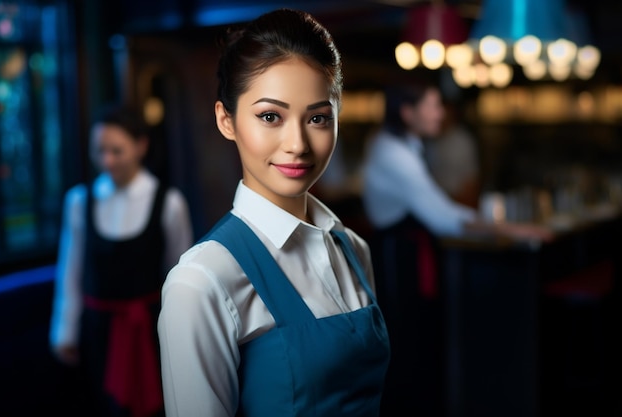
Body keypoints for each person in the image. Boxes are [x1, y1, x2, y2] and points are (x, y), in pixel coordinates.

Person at [157, 8, 390, 417]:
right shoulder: (201, 281)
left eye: (318, 117)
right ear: (226, 120)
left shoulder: (354, 250)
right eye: (270, 116)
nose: (297, 143)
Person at [361, 81, 554, 416]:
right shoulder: (393, 153)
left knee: (416, 343)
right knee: (407, 346)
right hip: (397, 260)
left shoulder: (403, 143)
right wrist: (509, 229)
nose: (441, 113)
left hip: (406, 253)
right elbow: (442, 217)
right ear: (408, 113)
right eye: (433, 105)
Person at [49, 104, 194, 417]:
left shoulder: (169, 202)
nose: (107, 160)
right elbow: (70, 273)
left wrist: (182, 336)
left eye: (117, 151)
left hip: (149, 328)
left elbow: (179, 278)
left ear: (141, 146)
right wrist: (65, 332)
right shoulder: (79, 201)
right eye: (99, 151)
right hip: (97, 330)